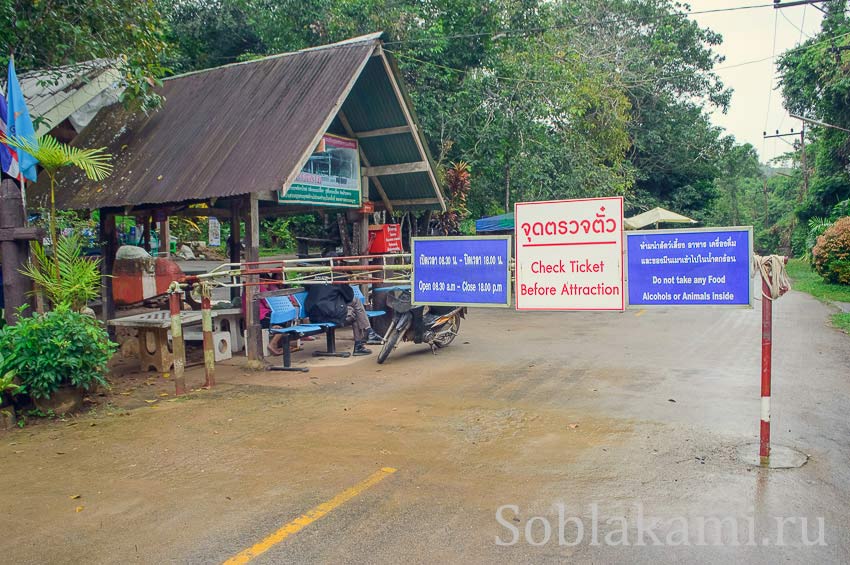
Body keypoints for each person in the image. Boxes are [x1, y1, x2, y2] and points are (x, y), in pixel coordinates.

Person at [304, 283, 383, 355]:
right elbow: (349, 296)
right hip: (330, 314)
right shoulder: (338, 279)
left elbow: (307, 286)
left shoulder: (313, 278)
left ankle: (367, 335)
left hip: (314, 316)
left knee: (354, 310)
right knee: (355, 313)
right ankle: (364, 338)